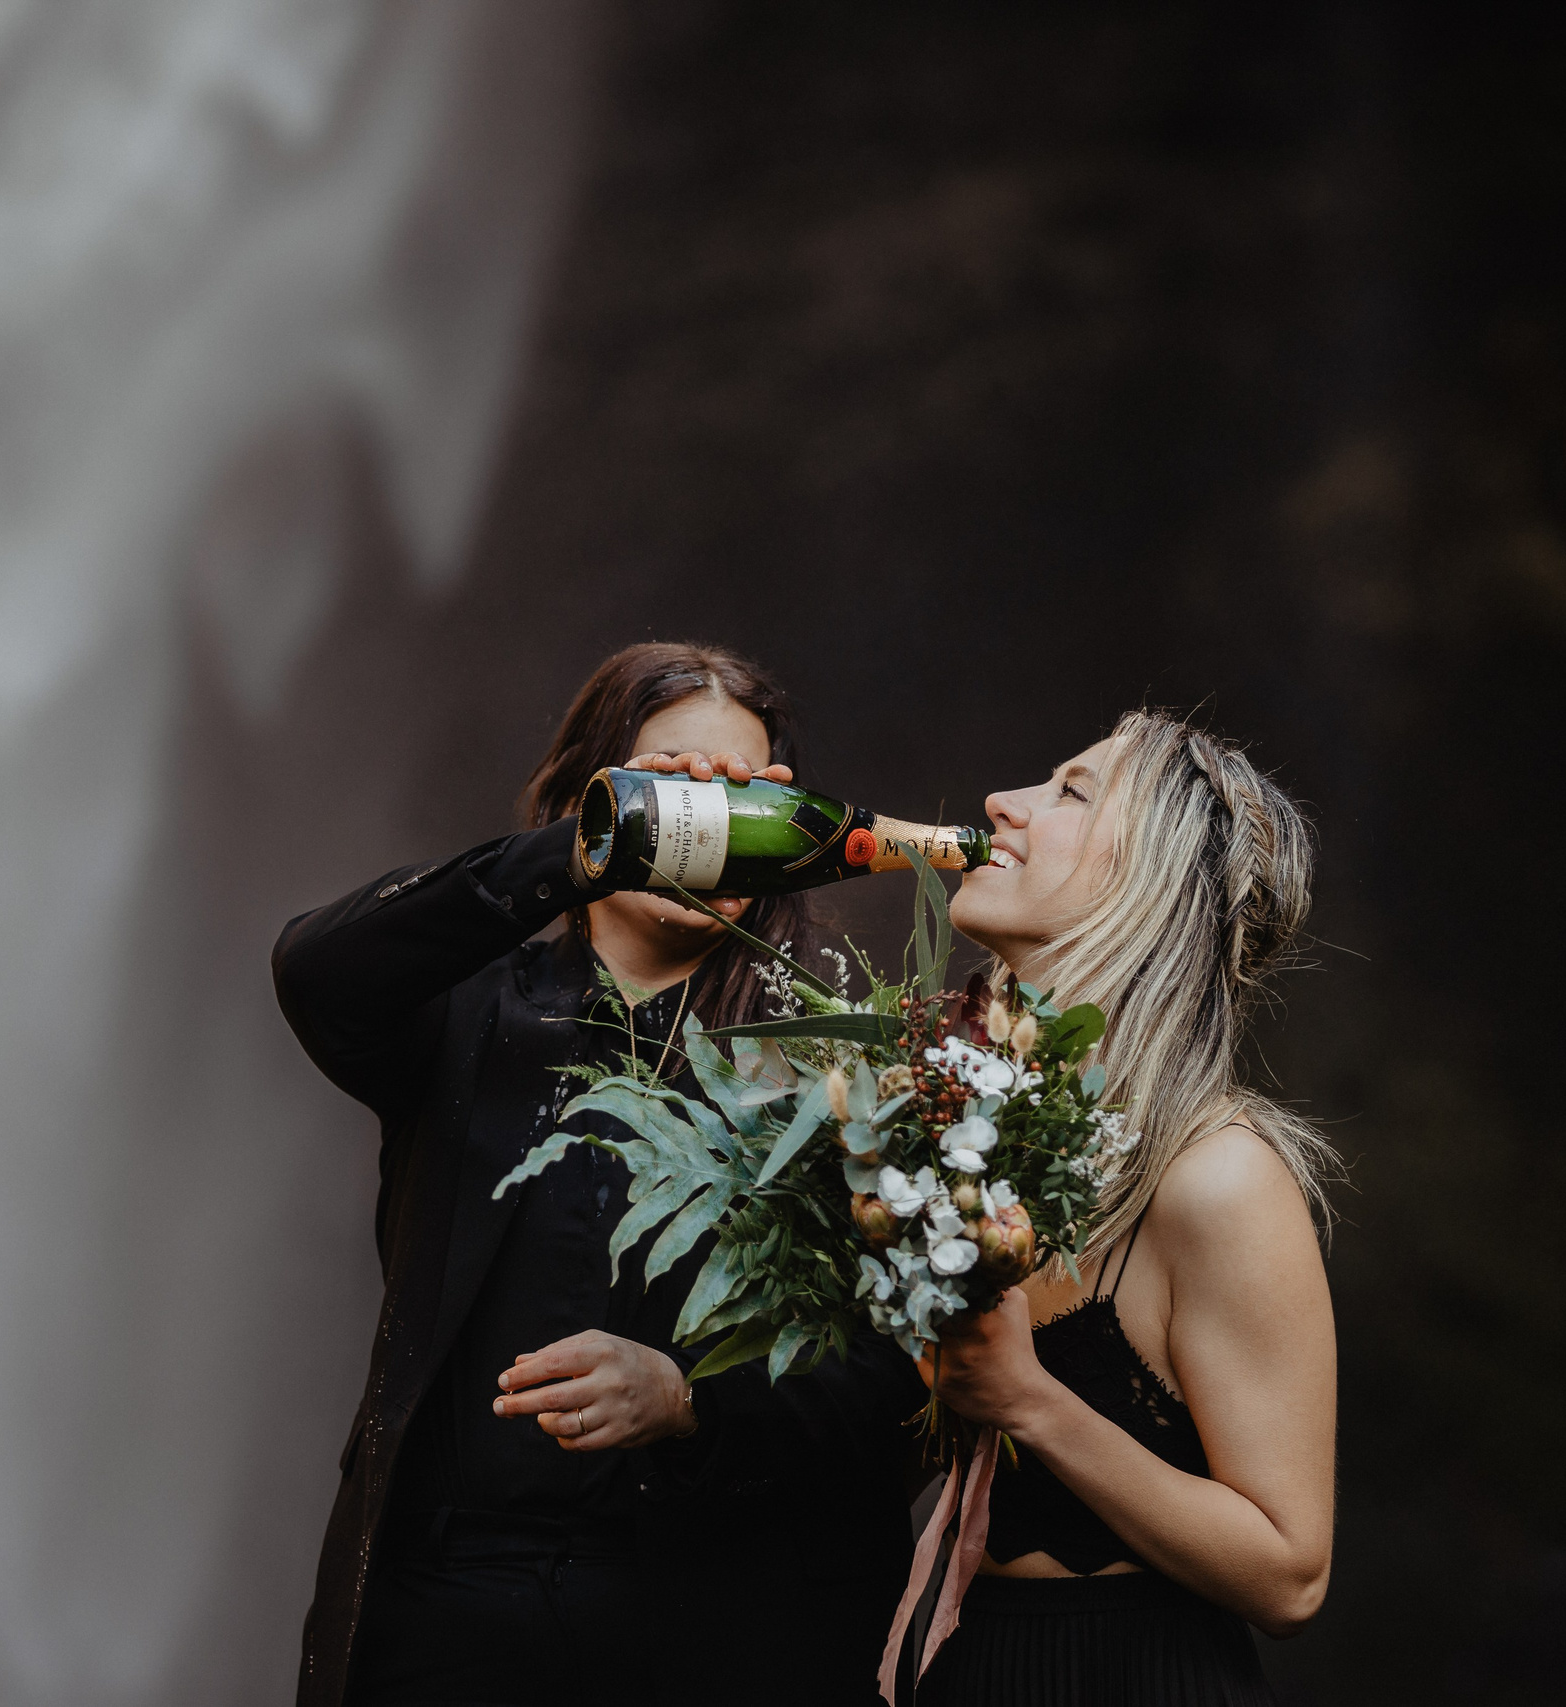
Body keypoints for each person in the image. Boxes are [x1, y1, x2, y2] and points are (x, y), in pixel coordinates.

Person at [273, 642, 923, 1707]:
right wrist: (581, 854)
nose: (706, 818)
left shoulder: (840, 1056)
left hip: (716, 1618)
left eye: (742, 791)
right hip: (447, 1611)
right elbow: (315, 969)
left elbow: (901, 1382)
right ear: (592, 794)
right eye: (670, 774)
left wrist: (687, 1401)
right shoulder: (469, 1008)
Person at [912, 711, 1342, 1707]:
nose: (1000, 804)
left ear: (1147, 881)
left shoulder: (1218, 1181)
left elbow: (1290, 1575)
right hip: (960, 1664)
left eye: (1069, 791)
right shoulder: (954, 1128)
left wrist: (1030, 1400)